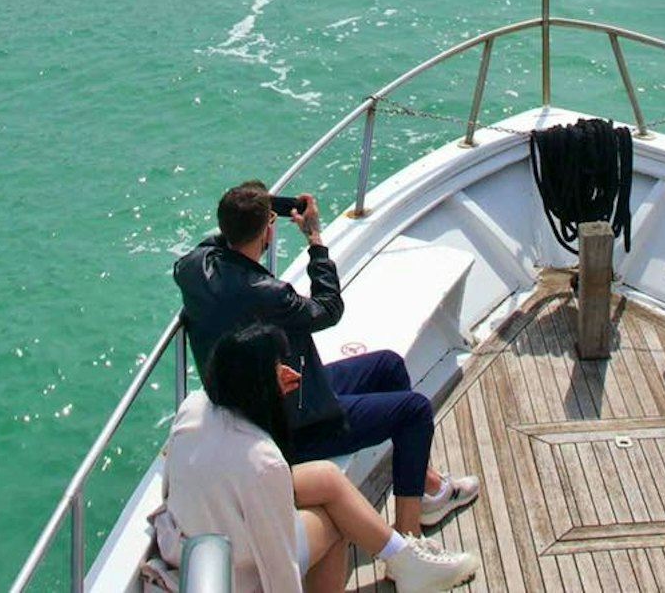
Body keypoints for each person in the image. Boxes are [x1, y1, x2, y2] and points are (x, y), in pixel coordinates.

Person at [174, 182, 479, 534]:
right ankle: (410, 533)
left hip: (257, 397)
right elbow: (329, 309)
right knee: (415, 412)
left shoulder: (193, 268)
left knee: (388, 365)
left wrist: (269, 208)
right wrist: (315, 239)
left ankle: (424, 485)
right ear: (266, 231)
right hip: (290, 424)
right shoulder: (268, 295)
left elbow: (236, 223)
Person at [156, 323, 478, 593]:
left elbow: (171, 482)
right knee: (333, 522)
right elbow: (277, 559)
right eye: (275, 368)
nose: (287, 372)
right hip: (237, 567)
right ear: (255, 385)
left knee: (326, 476)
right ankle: (408, 564)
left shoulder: (194, 407)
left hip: (191, 536)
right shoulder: (263, 461)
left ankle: (405, 557)